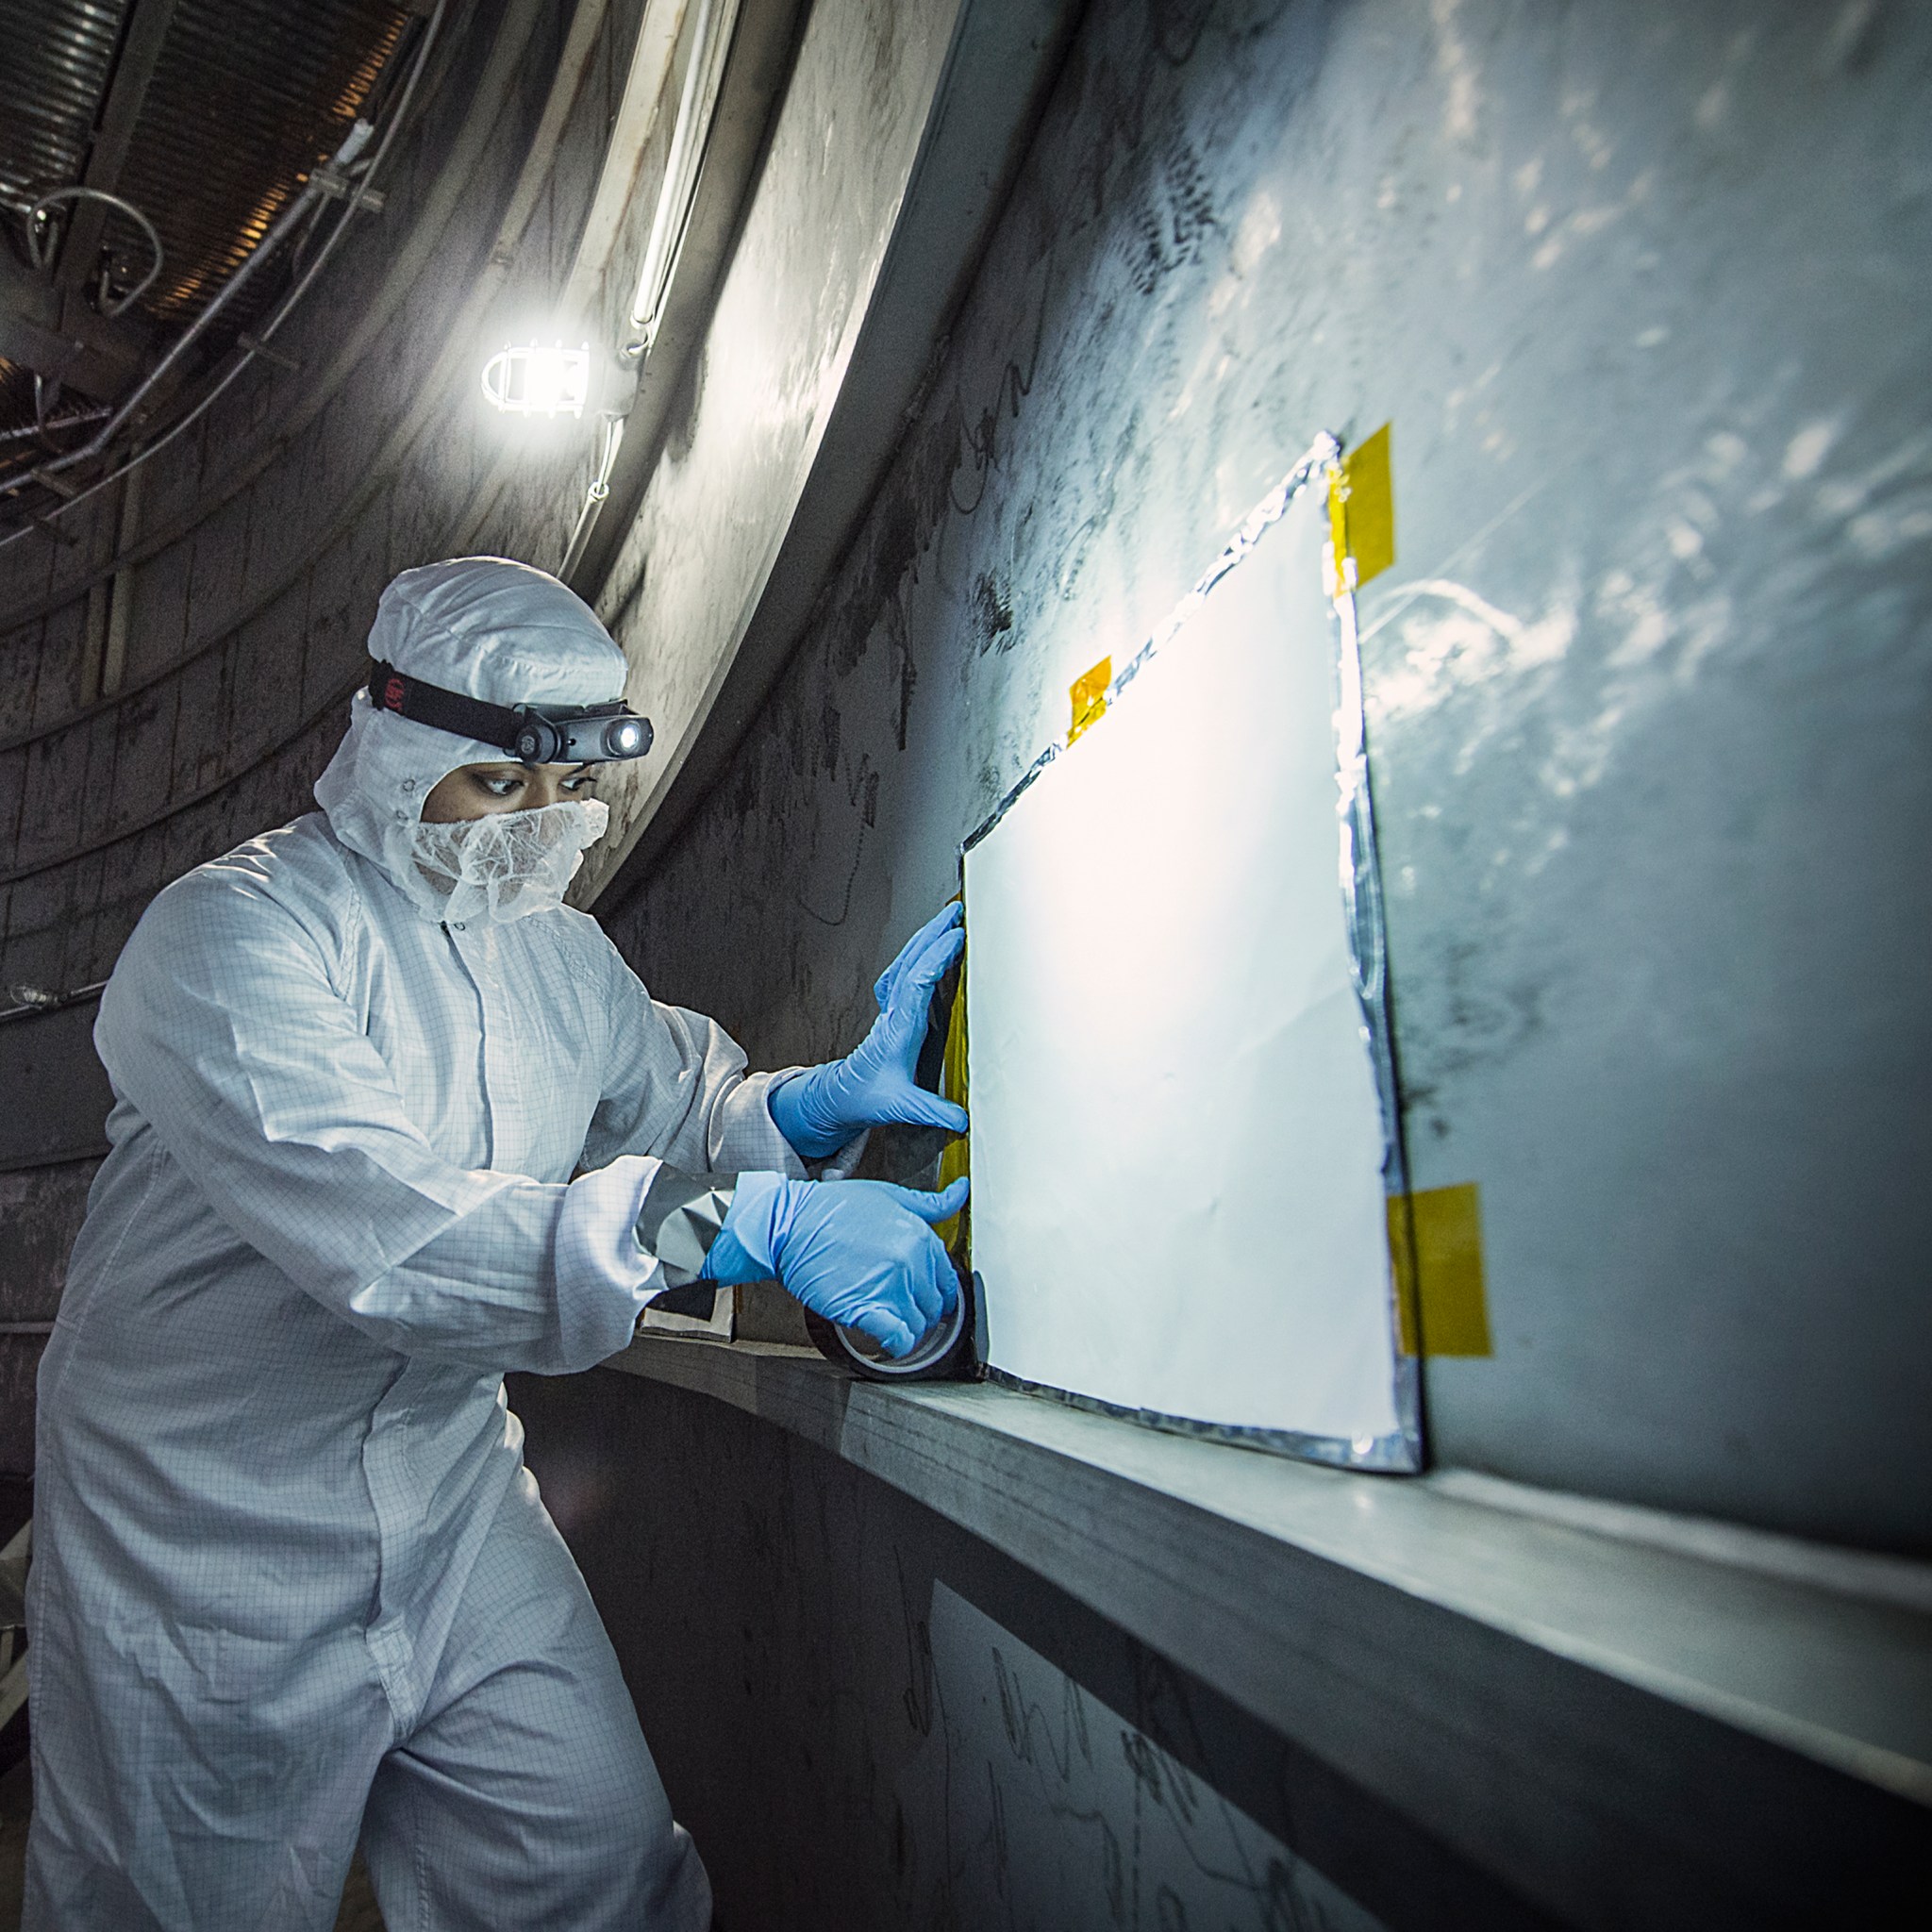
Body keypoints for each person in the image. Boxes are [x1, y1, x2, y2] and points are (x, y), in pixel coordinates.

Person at [24, 558, 970, 1931]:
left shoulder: (559, 957)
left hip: (452, 1496)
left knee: (591, 1858)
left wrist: (806, 1110)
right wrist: (737, 1223)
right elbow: (389, 1238)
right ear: (400, 753)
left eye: (571, 790)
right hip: (205, 1530)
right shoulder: (231, 936)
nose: (543, 827)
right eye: (501, 786)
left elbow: (683, 1110)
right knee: (172, 1908)